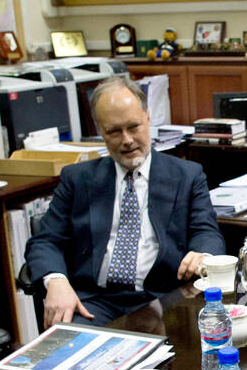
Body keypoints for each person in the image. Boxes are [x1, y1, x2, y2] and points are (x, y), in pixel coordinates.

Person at [25, 76, 225, 326]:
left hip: (166, 298)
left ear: (148, 119)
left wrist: (203, 254)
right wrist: (55, 280)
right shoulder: (77, 178)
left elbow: (207, 231)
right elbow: (45, 241)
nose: (127, 140)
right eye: (114, 131)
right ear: (100, 132)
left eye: (134, 127)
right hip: (95, 302)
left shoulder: (187, 175)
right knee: (73, 353)